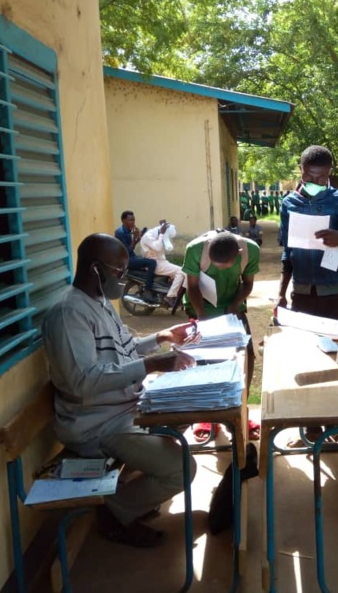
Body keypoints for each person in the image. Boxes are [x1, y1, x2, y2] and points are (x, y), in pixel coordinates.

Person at [42, 234, 199, 548]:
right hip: (95, 425)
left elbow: (123, 351)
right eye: (118, 271)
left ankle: (131, 502)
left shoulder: (98, 302)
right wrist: (151, 364)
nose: (123, 278)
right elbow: (82, 381)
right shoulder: (68, 315)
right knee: (181, 468)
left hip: (122, 410)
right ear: (95, 268)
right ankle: (115, 513)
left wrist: (161, 337)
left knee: (182, 420)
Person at [277, 145, 338, 445]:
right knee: (307, 359)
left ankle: (336, 428)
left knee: (335, 357)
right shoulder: (289, 203)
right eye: (312, 175)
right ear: (301, 172)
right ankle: (311, 429)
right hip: (302, 293)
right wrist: (282, 292)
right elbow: (287, 252)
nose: (317, 180)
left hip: (335, 293)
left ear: (330, 175)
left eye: (324, 176)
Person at [182, 230, 261, 440]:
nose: (222, 269)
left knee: (245, 357)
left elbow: (248, 283)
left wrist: (235, 304)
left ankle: (241, 411)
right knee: (202, 360)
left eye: (226, 265)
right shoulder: (195, 250)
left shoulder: (250, 251)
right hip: (201, 309)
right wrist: (201, 316)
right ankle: (208, 416)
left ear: (239, 253)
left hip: (231, 309)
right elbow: (191, 285)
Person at [139, 220, 186, 307]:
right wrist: (162, 234)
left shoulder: (159, 234)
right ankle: (170, 296)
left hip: (161, 262)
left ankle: (169, 291)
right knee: (181, 271)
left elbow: (167, 247)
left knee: (179, 270)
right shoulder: (148, 236)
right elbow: (157, 247)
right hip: (154, 263)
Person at [115, 210, 157, 303]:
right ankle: (147, 290)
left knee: (150, 259)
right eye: (130, 220)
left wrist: (138, 238)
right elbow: (127, 251)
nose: (133, 222)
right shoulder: (120, 233)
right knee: (152, 263)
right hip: (126, 260)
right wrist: (134, 240)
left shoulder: (128, 231)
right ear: (123, 220)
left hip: (130, 257)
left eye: (134, 220)